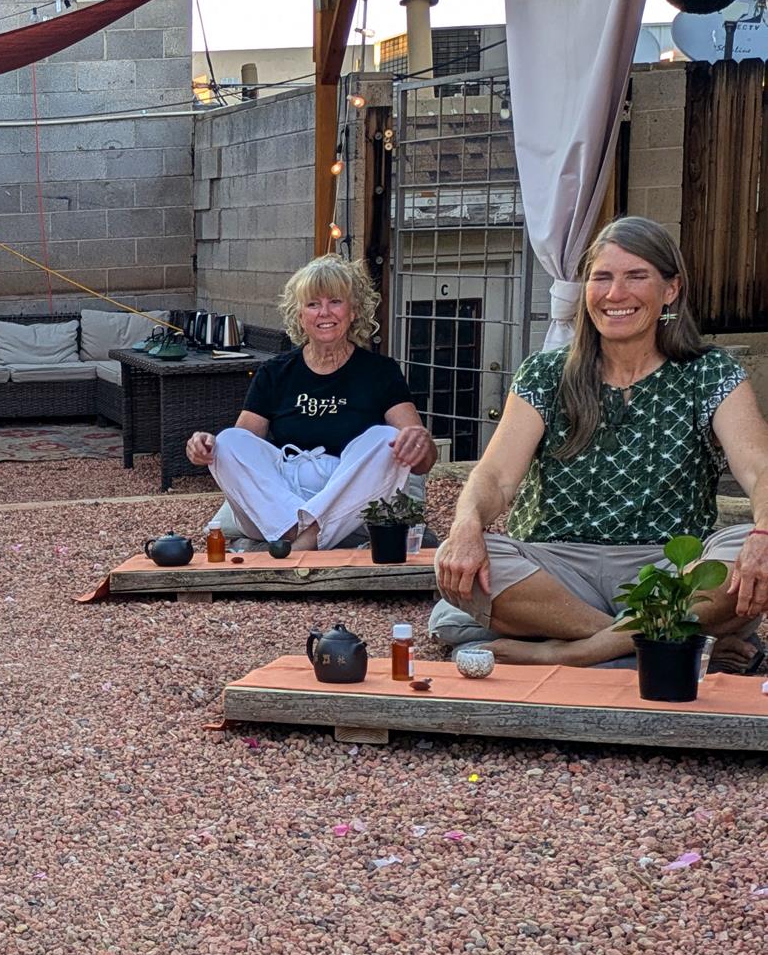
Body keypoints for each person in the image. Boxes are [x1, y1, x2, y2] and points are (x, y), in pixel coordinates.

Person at [431, 217, 768, 668]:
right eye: (602, 277)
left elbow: (759, 468)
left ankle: (571, 652)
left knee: (747, 548)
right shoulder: (546, 374)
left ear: (671, 289)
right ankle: (673, 645)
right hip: (557, 572)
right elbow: (495, 476)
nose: (615, 294)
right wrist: (466, 527)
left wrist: (763, 533)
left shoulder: (709, 373)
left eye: (636, 276)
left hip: (667, 570)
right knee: (461, 563)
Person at [185, 254, 436, 549]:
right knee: (228, 441)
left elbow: (422, 461)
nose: (324, 313)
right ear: (300, 315)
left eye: (335, 302)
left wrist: (420, 443)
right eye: (313, 304)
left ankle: (301, 541)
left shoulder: (381, 372)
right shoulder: (274, 373)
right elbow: (242, 449)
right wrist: (205, 447)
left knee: (386, 439)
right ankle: (302, 532)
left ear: (354, 310)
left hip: (351, 498)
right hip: (280, 497)